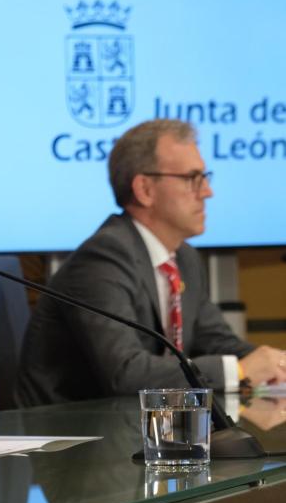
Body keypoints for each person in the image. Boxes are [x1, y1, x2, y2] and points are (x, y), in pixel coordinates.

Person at [15, 119, 286, 407]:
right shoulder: (103, 258)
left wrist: (276, 364)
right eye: (192, 178)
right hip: (71, 435)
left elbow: (218, 341)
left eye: (205, 177)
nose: (207, 191)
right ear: (145, 189)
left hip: (141, 432)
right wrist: (239, 371)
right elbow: (125, 374)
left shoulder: (184, 257)